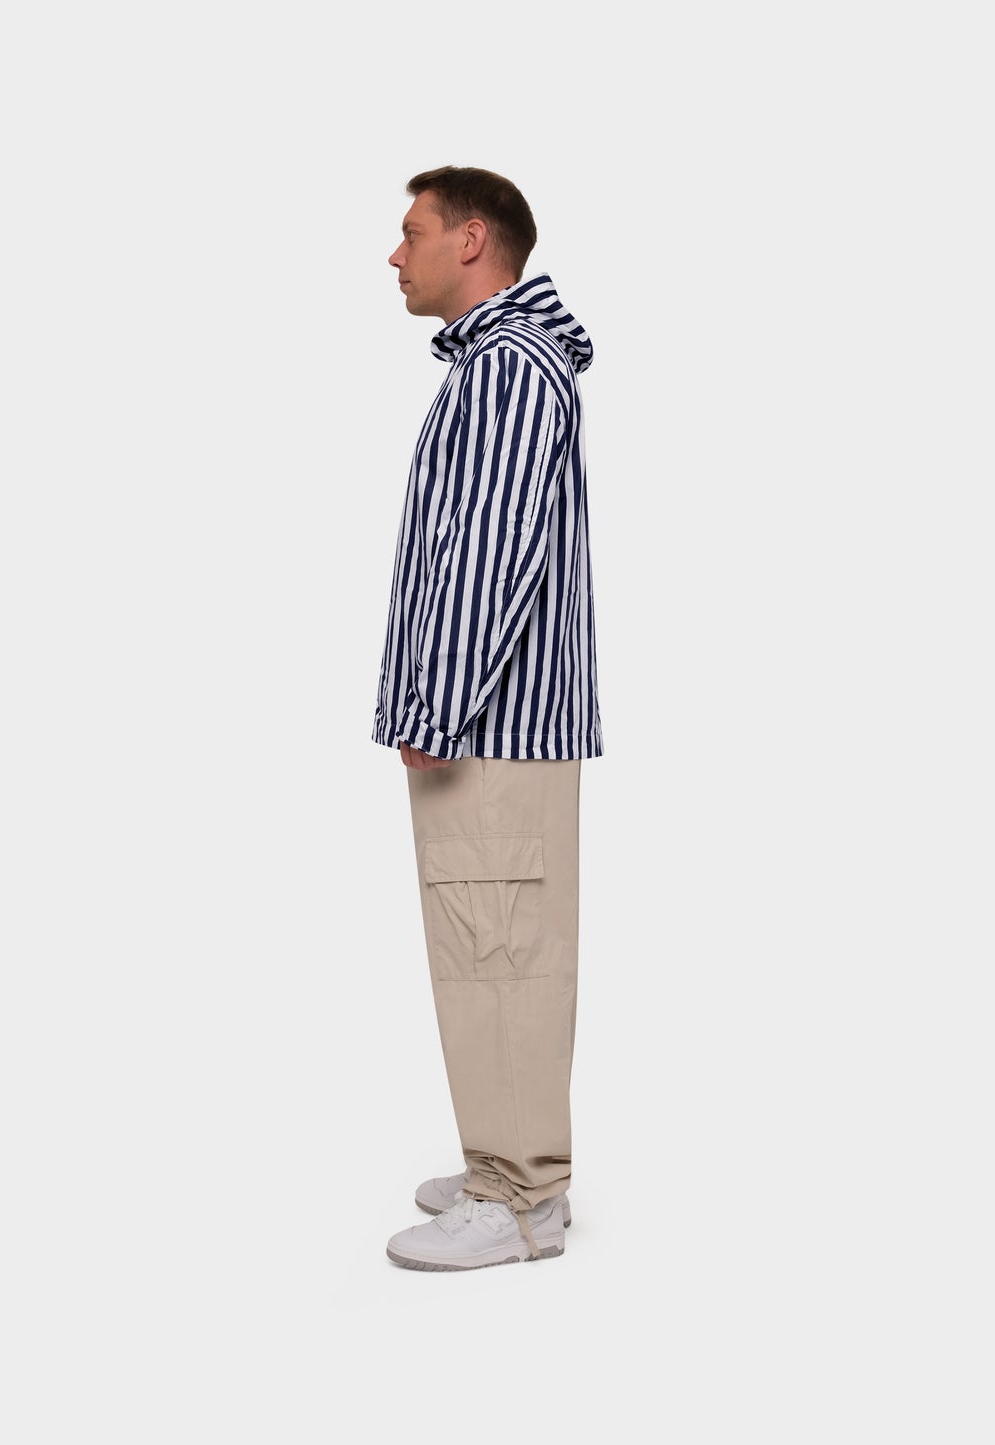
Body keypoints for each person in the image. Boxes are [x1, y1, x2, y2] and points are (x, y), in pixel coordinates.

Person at [371, 166, 604, 1270]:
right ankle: (504, 1165)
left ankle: (516, 1197)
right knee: (492, 949)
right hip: (496, 724)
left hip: (489, 727)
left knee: (498, 952)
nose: (394, 254)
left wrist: (436, 702)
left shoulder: (507, 369)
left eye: (410, 231)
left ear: (470, 240)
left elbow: (490, 553)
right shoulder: (503, 364)